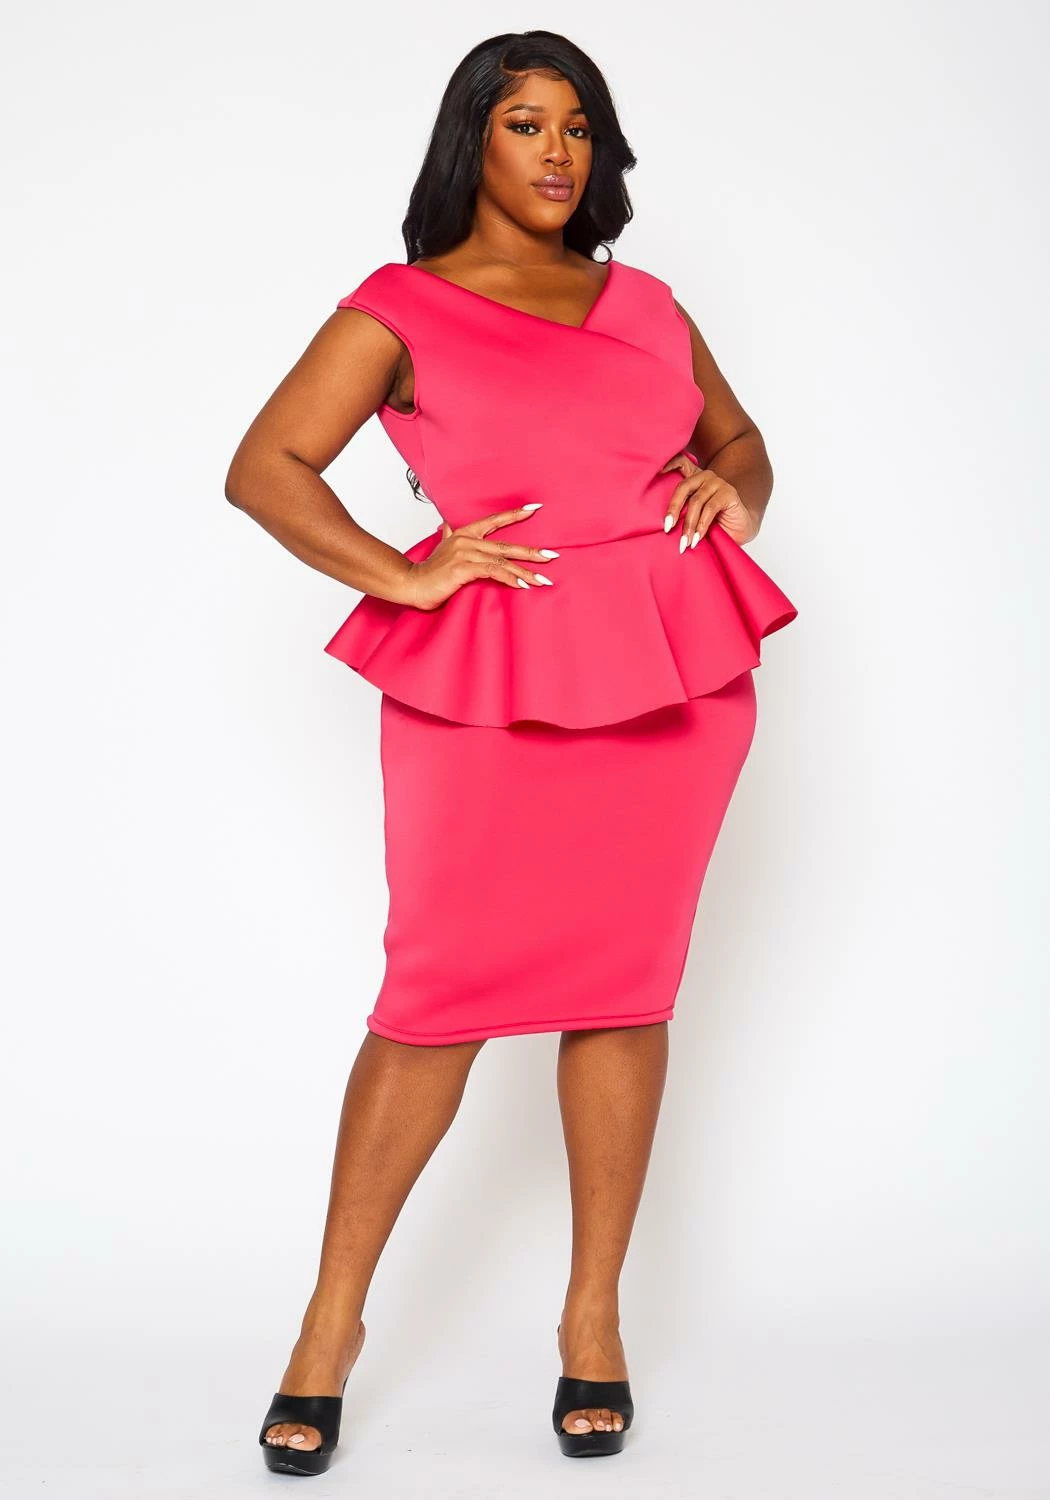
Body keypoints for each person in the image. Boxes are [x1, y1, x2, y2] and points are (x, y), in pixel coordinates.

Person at [225, 28, 798, 1476]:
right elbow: (264, 466)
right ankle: (328, 1328)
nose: (557, 151)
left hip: (676, 683)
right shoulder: (402, 305)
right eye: (526, 122)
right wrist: (403, 573)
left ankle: (591, 1319)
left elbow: (740, 443)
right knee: (436, 996)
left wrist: (731, 496)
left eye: (578, 126)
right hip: (485, 685)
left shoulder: (647, 304)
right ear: (471, 138)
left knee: (624, 989)